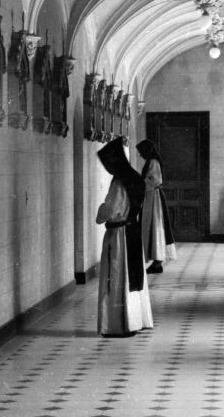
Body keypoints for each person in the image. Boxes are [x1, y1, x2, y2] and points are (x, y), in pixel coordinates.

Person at [96, 137, 153, 336]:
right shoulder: (135, 177)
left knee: (118, 277)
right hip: (132, 230)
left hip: (119, 235)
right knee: (134, 277)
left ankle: (120, 325)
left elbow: (111, 210)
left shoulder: (119, 182)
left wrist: (100, 213)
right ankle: (136, 320)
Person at [136, 139, 176, 274]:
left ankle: (158, 261)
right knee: (152, 227)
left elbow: (156, 180)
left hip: (154, 197)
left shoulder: (153, 162)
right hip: (150, 197)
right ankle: (156, 260)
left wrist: (140, 182)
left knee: (155, 227)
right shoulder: (151, 162)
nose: (141, 155)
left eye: (141, 152)